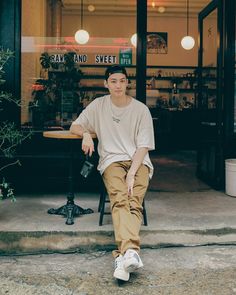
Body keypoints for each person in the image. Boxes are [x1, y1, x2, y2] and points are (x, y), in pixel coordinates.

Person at [70, 65, 155, 282]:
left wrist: (132, 172)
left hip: (138, 161)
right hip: (111, 161)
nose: (118, 85)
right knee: (120, 199)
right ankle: (131, 252)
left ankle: (122, 256)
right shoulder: (98, 105)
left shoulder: (141, 110)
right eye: (113, 81)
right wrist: (87, 134)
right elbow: (74, 126)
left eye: (122, 80)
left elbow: (144, 146)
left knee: (133, 200)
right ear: (106, 83)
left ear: (128, 83)